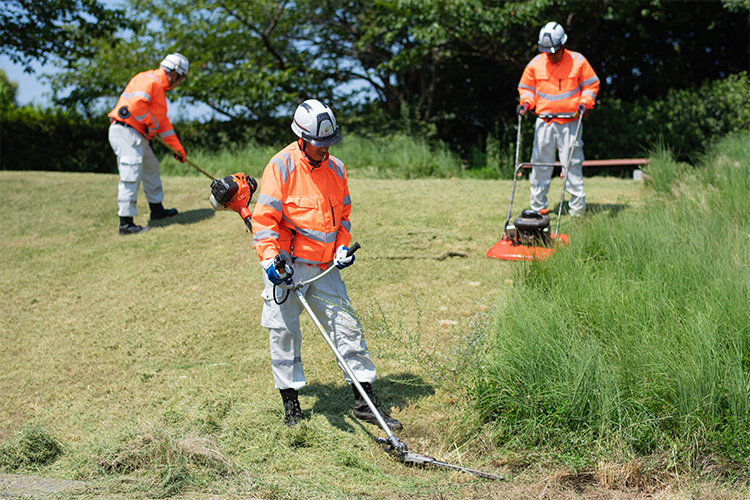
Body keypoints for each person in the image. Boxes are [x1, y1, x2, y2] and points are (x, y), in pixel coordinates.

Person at [251, 98, 402, 430]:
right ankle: (291, 405)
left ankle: (365, 403)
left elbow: (343, 217)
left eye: (329, 142)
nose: (324, 149)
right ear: (301, 138)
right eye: (318, 144)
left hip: (325, 268)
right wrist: (269, 261)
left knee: (347, 330)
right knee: (284, 333)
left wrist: (342, 247)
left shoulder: (338, 169)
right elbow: (264, 221)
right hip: (287, 266)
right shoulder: (281, 167)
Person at [517, 22, 600, 218]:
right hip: (544, 121)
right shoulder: (535, 64)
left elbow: (591, 86)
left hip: (571, 121)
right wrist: (526, 103)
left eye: (555, 51)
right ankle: (537, 207)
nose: (551, 55)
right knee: (540, 164)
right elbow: (526, 89)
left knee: (572, 164)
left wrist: (585, 102)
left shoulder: (578, 61)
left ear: (563, 45)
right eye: (548, 52)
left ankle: (577, 210)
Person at [107, 53, 189, 235]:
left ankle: (157, 210)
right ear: (175, 73)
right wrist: (150, 124)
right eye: (181, 79)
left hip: (137, 135)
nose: (179, 83)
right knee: (131, 173)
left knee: (151, 168)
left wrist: (178, 149)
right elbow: (136, 105)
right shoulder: (149, 80)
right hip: (127, 131)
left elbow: (163, 124)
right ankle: (126, 223)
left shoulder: (159, 90)